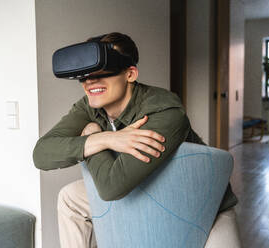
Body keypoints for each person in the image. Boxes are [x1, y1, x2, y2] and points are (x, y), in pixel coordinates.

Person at [33, 32, 237, 248]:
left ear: (130, 74)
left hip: (198, 200)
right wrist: (105, 139)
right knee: (70, 198)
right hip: (140, 187)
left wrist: (90, 135)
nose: (90, 80)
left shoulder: (163, 109)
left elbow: (113, 186)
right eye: (85, 73)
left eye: (101, 70)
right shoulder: (89, 106)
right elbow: (41, 154)